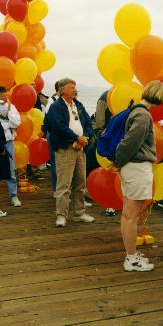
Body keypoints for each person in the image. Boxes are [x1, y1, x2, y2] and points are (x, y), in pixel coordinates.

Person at [114, 80, 163, 272]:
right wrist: (119, 162)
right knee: (131, 216)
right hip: (136, 168)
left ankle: (131, 254)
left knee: (128, 215)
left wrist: (120, 163)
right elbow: (129, 143)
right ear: (159, 96)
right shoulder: (144, 115)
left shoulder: (136, 111)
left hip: (132, 168)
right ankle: (131, 259)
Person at [47, 78, 95, 227]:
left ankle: (79, 213)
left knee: (80, 182)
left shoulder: (78, 104)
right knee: (64, 184)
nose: (75, 90)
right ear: (62, 90)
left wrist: (84, 138)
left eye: (75, 87)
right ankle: (61, 215)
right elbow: (58, 127)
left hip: (80, 149)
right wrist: (76, 138)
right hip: (65, 148)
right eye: (71, 87)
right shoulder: (56, 106)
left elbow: (88, 122)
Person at [0, 86, 21, 207]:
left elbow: (16, 123)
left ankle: (13, 195)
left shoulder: (12, 107)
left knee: (11, 169)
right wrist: (6, 123)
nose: (5, 97)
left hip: (8, 140)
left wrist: (9, 111)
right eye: (2, 95)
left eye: (6, 95)